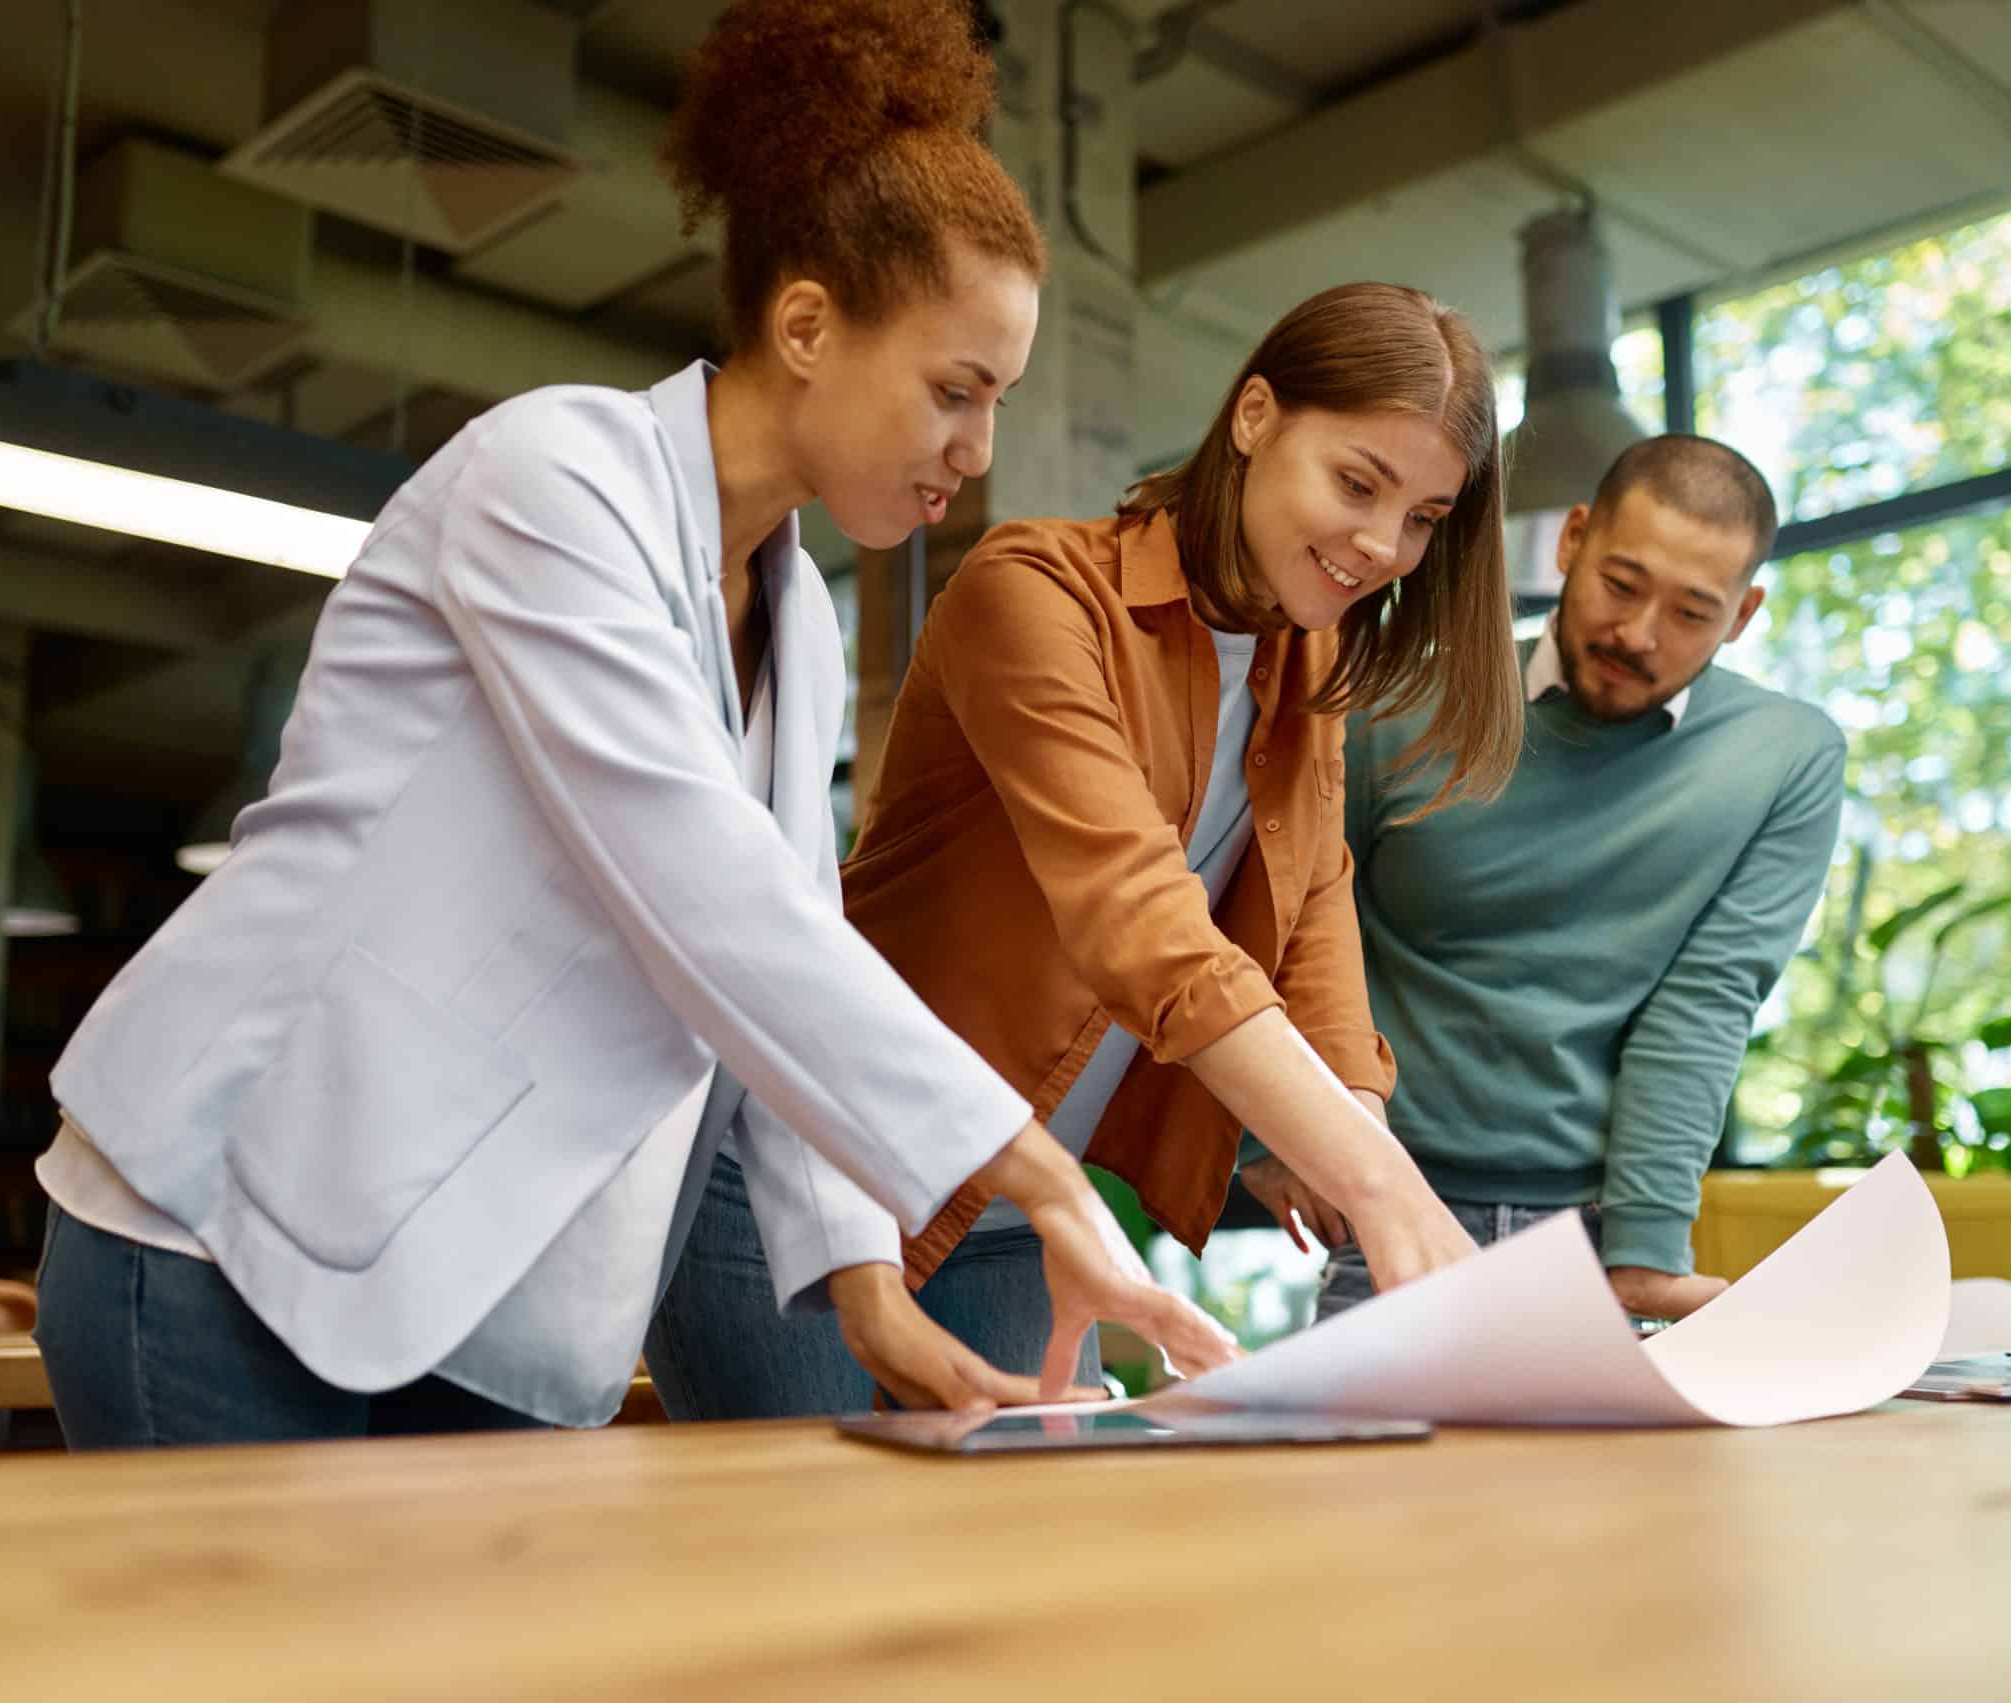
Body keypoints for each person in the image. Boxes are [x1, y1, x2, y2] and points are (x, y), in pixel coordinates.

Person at [27, 0, 1234, 1449]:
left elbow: (781, 969)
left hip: (469, 1286)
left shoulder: (795, 619)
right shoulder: (551, 481)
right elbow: (710, 903)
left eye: (997, 402)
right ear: (805, 324)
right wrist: (1032, 1171)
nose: (975, 452)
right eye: (953, 391)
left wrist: (864, 1285)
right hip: (224, 1219)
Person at [650, 282, 1526, 1419]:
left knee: (1015, 1570)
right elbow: (1141, 921)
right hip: (800, 1170)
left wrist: (1348, 1129)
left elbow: (1314, 909)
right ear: (1254, 415)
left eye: (1422, 516)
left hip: (1013, 1208)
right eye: (1357, 482)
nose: (1379, 543)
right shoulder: (1034, 590)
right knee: (818, 1558)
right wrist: (1385, 1183)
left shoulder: (1304, 670)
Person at [1243, 434, 1846, 1324]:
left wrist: (1645, 1248)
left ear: (1745, 614)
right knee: (1368, 1471)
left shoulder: (1785, 757)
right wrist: (1271, 1130)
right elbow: (1283, 911)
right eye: (1621, 584)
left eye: (1690, 613)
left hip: (1593, 1240)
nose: (1637, 635)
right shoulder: (1399, 699)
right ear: (1572, 542)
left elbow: (1707, 1001)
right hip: (1389, 1208)